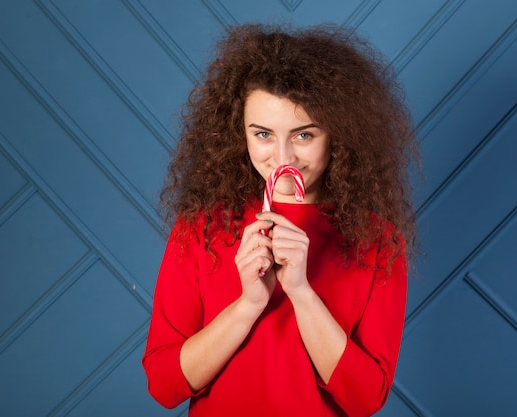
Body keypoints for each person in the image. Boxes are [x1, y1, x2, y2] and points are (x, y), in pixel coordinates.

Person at [142, 23, 417, 417]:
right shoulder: (202, 228)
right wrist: (248, 305)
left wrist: (302, 294)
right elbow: (164, 385)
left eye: (304, 135)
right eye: (263, 134)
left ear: (338, 134)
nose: (283, 158)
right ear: (239, 133)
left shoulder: (377, 240)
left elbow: (365, 400)